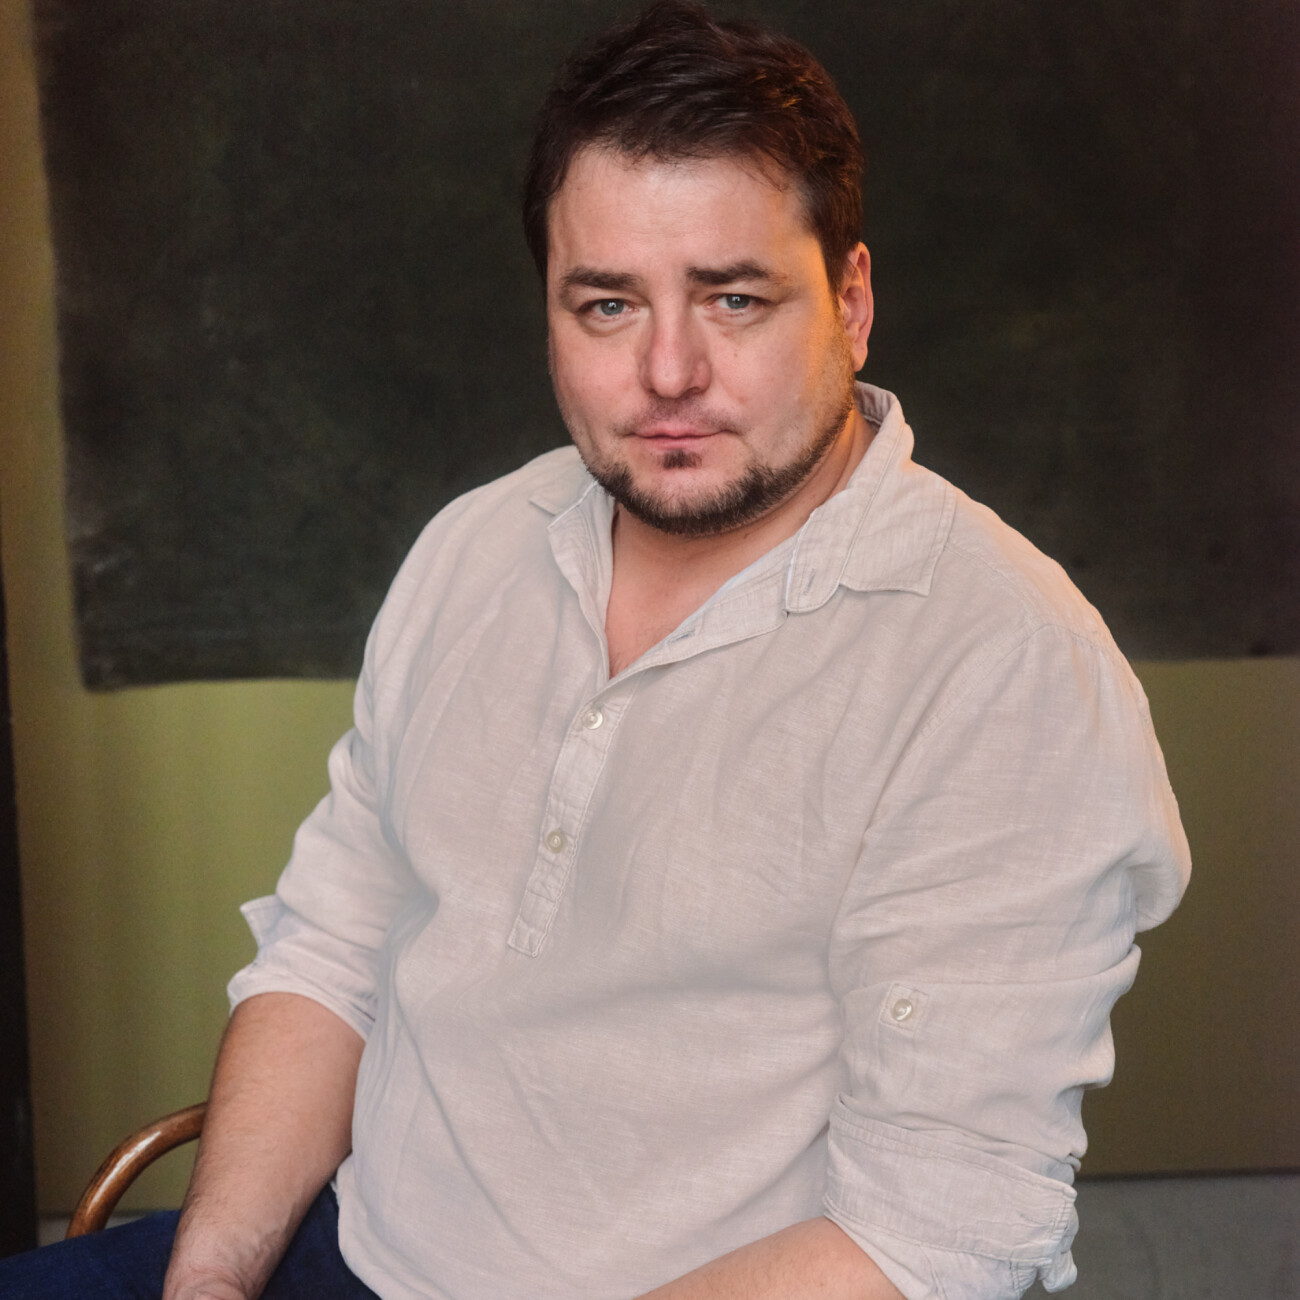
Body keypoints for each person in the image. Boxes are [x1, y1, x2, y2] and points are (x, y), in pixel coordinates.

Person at [3, 3, 1189, 1298]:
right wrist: (212, 1280)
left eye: (734, 297)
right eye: (609, 304)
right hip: (344, 1246)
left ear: (851, 304)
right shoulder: (477, 544)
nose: (668, 371)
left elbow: (934, 1233)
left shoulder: (1004, 666)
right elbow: (334, 951)